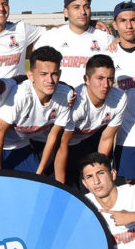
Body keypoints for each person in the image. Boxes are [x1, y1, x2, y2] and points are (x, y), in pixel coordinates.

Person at [0, 46, 73, 175]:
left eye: (54, 74)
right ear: (30, 76)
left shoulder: (65, 95)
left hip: (22, 145)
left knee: (38, 184)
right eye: (43, 74)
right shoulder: (20, 95)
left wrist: (39, 172)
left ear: (60, 74)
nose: (50, 80)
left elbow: (52, 137)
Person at [54, 54, 127, 187]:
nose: (106, 85)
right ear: (86, 79)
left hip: (85, 142)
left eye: (110, 79)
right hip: (56, 145)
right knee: (63, 189)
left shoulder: (119, 98)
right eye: (100, 78)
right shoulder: (76, 102)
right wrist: (60, 186)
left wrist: (99, 172)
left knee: (93, 189)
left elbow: (107, 138)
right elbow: (62, 145)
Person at [33, 0, 113, 87]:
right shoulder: (51, 36)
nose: (82, 12)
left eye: (86, 7)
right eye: (76, 7)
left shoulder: (105, 37)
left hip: (93, 101)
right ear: (66, 12)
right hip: (60, 99)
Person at [109, 1, 135, 184]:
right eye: (123, 20)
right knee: (134, 193)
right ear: (115, 24)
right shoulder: (109, 55)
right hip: (128, 138)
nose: (129, 25)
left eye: (133, 20)